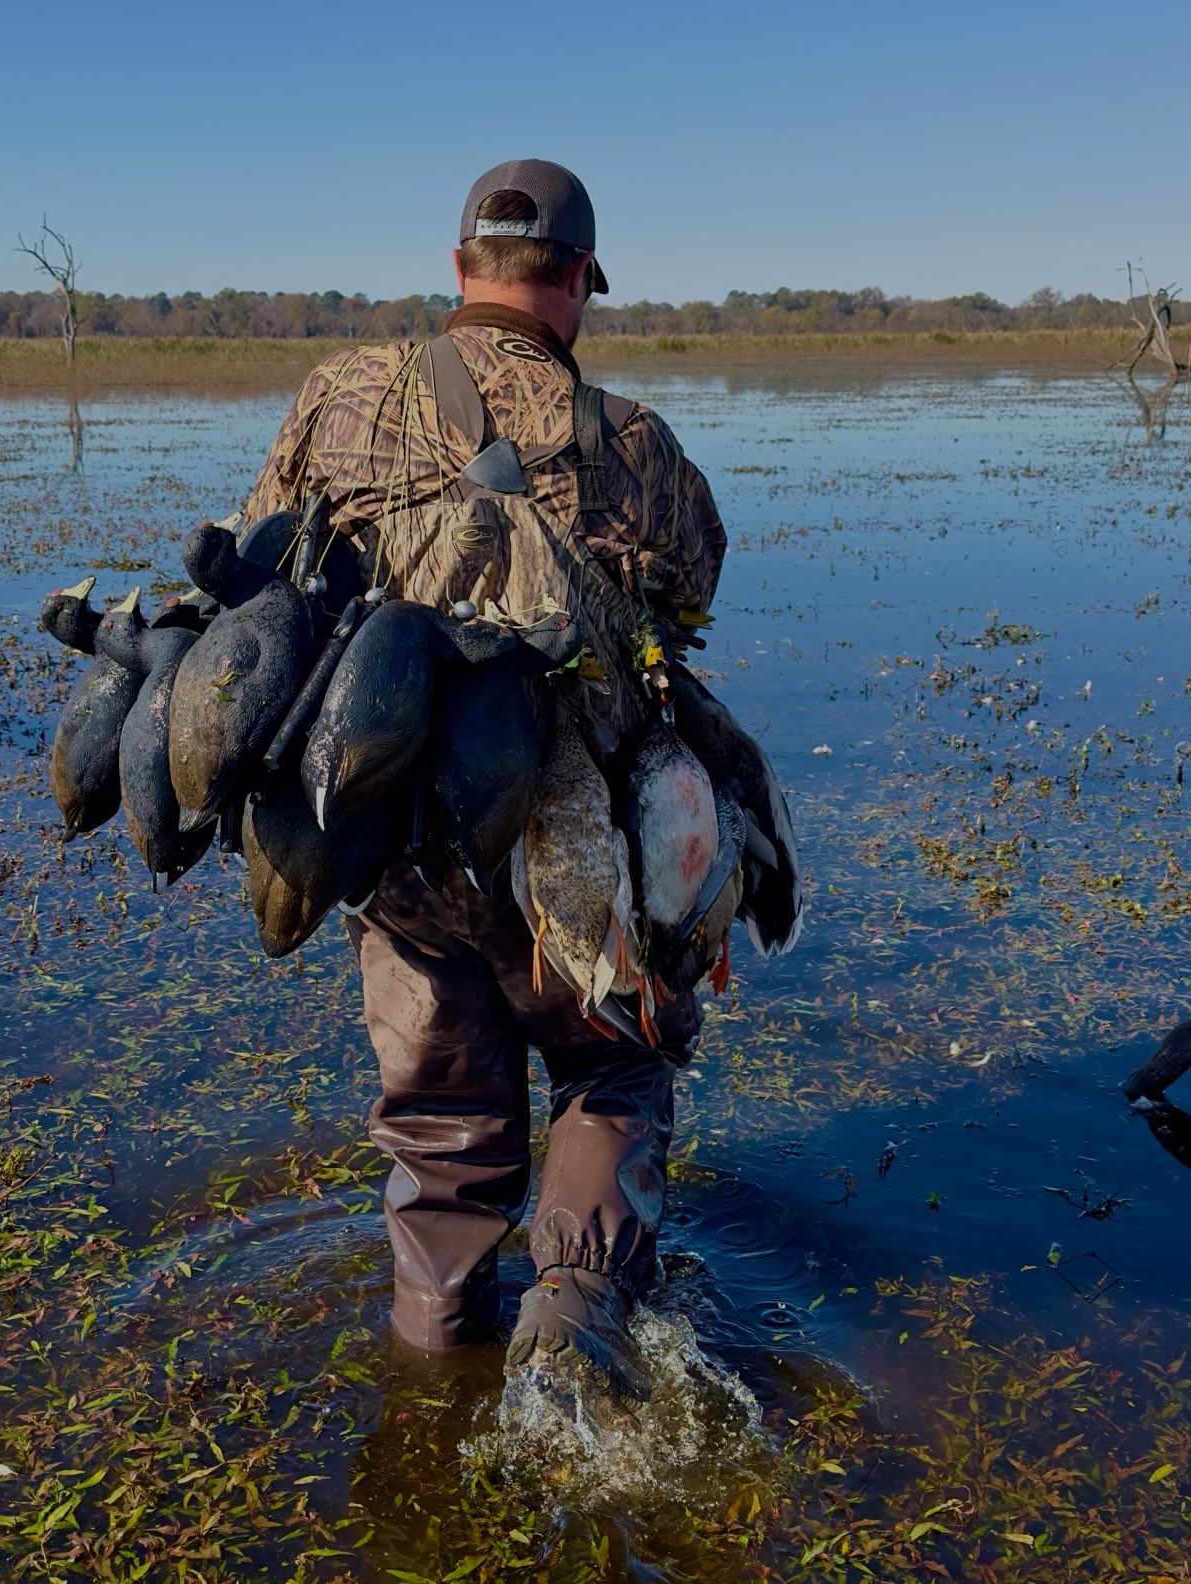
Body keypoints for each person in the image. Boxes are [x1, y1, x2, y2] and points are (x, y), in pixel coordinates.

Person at [244, 159, 726, 1399]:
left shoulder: (336, 395)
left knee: (444, 1141)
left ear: (460, 270)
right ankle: (570, 1341)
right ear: (576, 281)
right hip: (573, 858)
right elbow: (696, 585)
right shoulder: (634, 445)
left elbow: (261, 567)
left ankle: (433, 1361)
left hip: (400, 857)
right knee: (613, 1067)